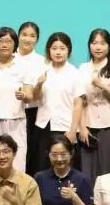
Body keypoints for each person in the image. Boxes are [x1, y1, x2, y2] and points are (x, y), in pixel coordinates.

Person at [29, 33, 85, 173]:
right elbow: (35, 97)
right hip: (44, 125)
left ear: (68, 50)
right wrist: (39, 84)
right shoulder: (42, 70)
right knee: (43, 166)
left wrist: (73, 131)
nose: (58, 52)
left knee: (66, 167)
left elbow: (78, 104)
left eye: (62, 48)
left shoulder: (75, 73)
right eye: (54, 48)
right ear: (49, 50)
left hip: (66, 126)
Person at [77, 29, 110, 179]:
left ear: (109, 46)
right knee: (88, 168)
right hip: (88, 123)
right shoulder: (83, 68)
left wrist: (102, 85)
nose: (98, 47)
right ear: (89, 45)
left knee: (109, 166)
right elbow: (79, 100)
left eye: (102, 43)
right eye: (94, 43)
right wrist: (82, 127)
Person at [0, 27, 27, 171]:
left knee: (17, 162)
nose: (4, 45)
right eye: (0, 41)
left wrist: (24, 96)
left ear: (15, 44)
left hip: (16, 119)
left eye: (8, 41)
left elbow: (30, 95)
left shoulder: (23, 66)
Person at [15, 22, 45, 175]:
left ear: (37, 39)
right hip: (11, 112)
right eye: (24, 35)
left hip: (33, 113)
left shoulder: (42, 61)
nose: (28, 39)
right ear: (18, 36)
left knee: (31, 153)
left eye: (32, 36)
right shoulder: (9, 57)